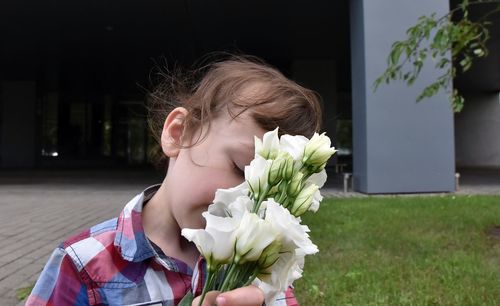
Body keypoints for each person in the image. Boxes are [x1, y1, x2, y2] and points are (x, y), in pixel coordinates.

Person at [26, 55, 322, 306]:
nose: (247, 202)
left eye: (270, 197)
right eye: (239, 167)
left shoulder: (260, 269)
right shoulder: (84, 265)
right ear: (178, 133)